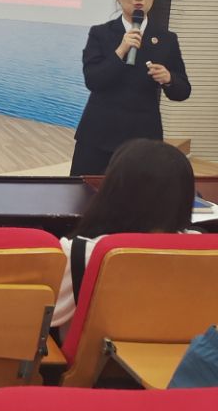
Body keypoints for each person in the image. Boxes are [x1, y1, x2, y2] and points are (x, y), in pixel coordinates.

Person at [52, 138, 196, 329]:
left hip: (96, 349)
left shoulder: (80, 253)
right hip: (186, 349)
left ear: (112, 191)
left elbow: (41, 318)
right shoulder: (205, 250)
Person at [70, 0, 191, 176]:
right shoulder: (100, 33)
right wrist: (121, 50)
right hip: (99, 133)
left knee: (139, 193)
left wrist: (169, 78)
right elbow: (93, 80)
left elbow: (183, 90)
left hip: (143, 137)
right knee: (83, 192)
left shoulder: (166, 39)